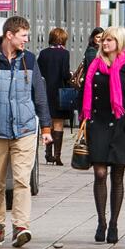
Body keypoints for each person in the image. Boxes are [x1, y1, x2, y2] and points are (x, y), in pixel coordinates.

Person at [0, 16, 52, 248]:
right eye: (23, 35)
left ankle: (21, 226)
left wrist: (45, 127)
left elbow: (40, 94)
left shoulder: (30, 60)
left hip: (24, 128)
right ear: (10, 35)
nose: (27, 39)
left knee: (21, 180)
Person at [81, 26, 125, 245]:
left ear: (119, 43)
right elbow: (84, 95)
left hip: (119, 128)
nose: (105, 43)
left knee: (117, 177)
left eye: (110, 40)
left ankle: (114, 224)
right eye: (104, 40)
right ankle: (101, 222)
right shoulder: (94, 66)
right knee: (99, 173)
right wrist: (86, 119)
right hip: (97, 125)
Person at [37, 28, 72, 166]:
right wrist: (71, 75)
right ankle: (57, 156)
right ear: (63, 39)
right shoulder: (64, 54)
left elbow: (38, 73)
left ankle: (48, 153)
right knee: (58, 124)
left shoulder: (43, 53)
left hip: (46, 92)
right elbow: (64, 74)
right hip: (59, 92)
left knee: (48, 123)